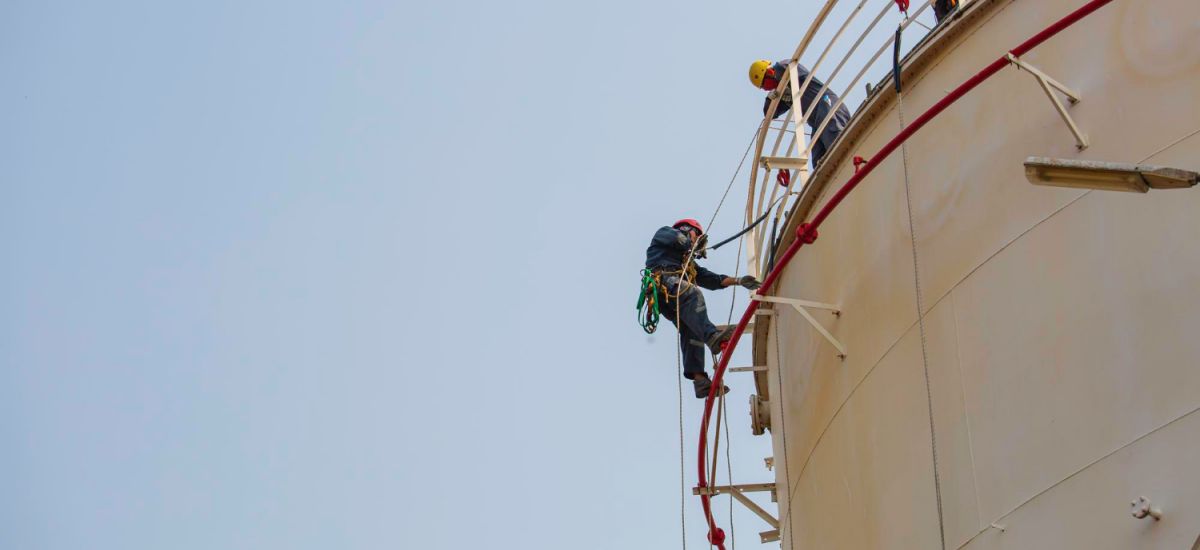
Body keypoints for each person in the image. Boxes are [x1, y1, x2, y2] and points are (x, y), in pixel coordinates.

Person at [645, 219, 761, 398]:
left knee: (690, 331)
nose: (697, 240)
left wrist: (738, 281)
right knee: (693, 294)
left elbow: (711, 279)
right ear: (686, 229)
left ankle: (700, 381)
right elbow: (678, 240)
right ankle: (713, 337)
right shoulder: (665, 233)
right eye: (696, 235)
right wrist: (693, 243)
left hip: (670, 293)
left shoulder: (687, 263)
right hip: (665, 283)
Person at [748, 59, 851, 169]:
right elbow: (769, 113)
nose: (766, 89)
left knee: (835, 138)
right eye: (763, 88)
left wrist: (779, 86)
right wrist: (770, 98)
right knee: (818, 160)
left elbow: (787, 66)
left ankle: (849, 165)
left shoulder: (785, 68)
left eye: (764, 85)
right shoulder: (787, 91)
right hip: (816, 122)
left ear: (768, 73)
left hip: (826, 104)